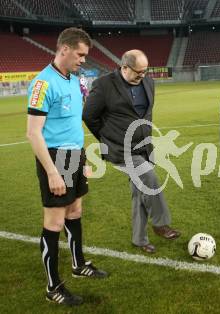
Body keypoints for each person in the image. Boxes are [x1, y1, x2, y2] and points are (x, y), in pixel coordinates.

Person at [26, 27, 108, 306]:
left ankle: (79, 264)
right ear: (64, 49)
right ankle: (53, 287)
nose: (83, 60)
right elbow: (33, 133)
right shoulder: (42, 83)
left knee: (75, 210)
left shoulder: (74, 80)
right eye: (80, 54)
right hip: (55, 157)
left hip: (75, 155)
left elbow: (72, 123)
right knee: (55, 221)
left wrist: (82, 160)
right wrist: (52, 172)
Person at [83, 50, 180, 254]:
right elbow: (89, 115)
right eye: (139, 71)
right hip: (120, 149)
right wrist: (107, 138)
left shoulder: (149, 83)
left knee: (139, 192)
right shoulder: (104, 85)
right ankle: (161, 224)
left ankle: (139, 239)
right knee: (149, 178)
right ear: (124, 67)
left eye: (145, 71)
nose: (143, 75)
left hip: (144, 147)